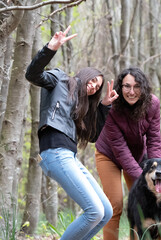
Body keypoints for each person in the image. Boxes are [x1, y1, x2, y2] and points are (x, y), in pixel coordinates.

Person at [25, 26, 118, 240]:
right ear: (85, 75)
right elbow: (32, 74)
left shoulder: (81, 107)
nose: (95, 86)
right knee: (93, 211)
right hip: (55, 152)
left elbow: (93, 136)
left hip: (70, 156)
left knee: (105, 212)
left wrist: (103, 107)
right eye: (93, 80)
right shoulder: (59, 80)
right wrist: (51, 48)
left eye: (98, 86)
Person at [95, 67, 161, 240]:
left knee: (139, 204)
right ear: (120, 87)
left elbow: (154, 141)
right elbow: (120, 149)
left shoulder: (152, 103)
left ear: (144, 87)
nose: (131, 92)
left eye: (136, 86)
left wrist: (154, 173)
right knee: (114, 204)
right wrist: (142, 179)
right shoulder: (113, 107)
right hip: (109, 155)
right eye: (126, 86)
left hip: (139, 155)